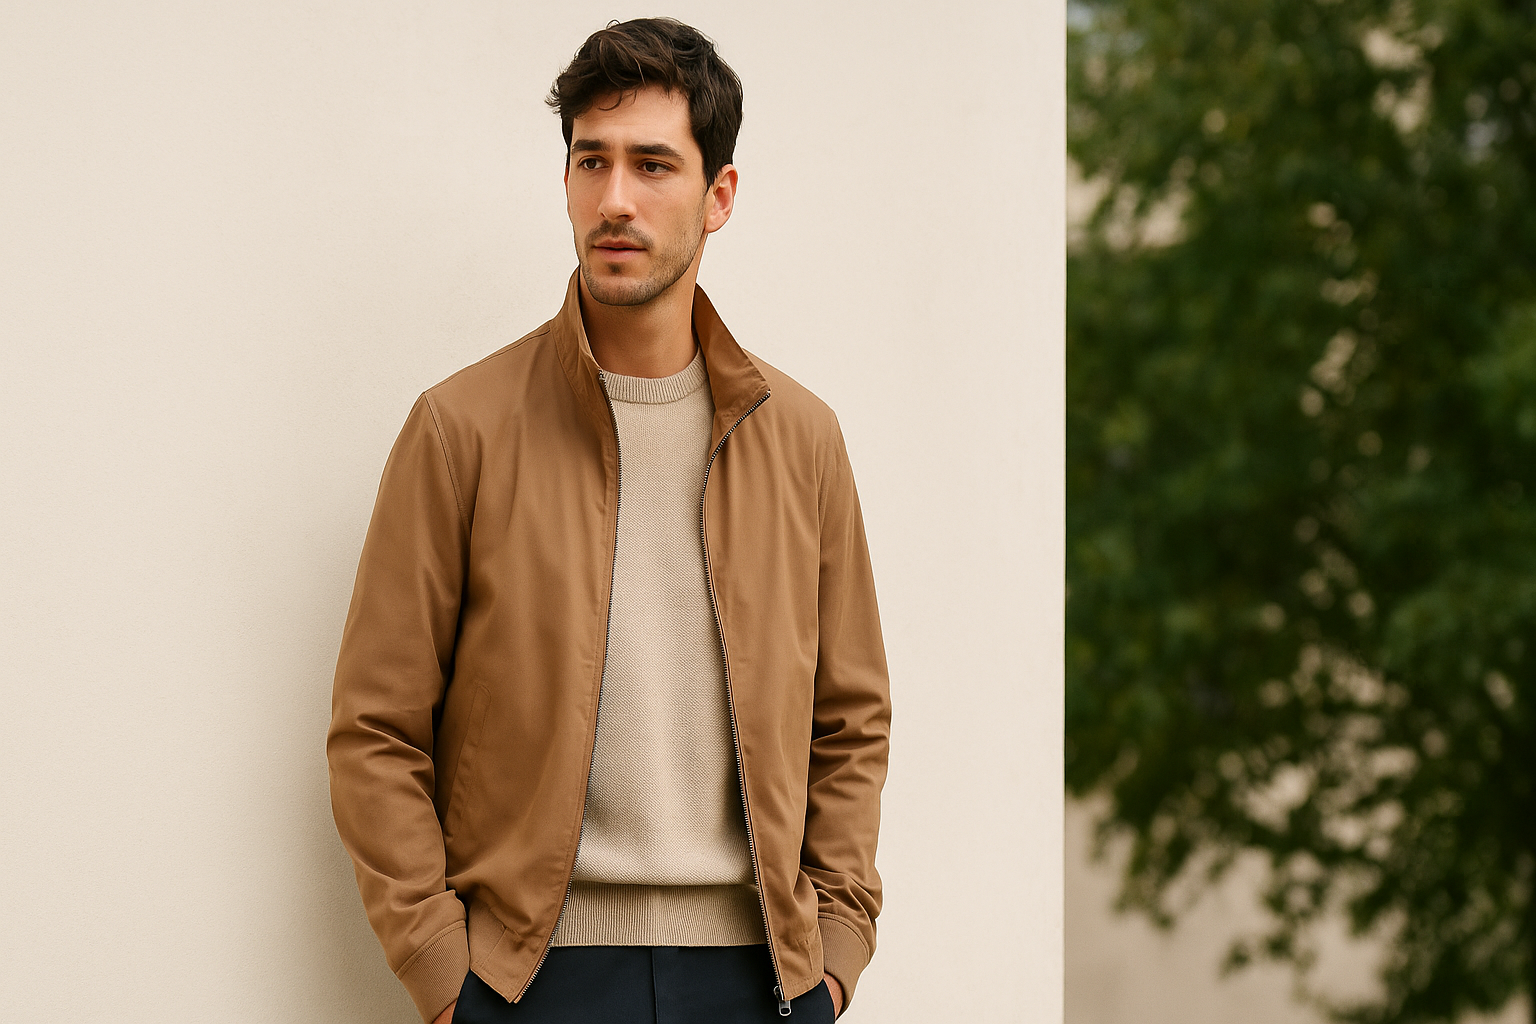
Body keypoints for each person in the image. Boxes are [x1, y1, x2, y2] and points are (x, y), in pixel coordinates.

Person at [326, 17, 891, 1024]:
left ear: (719, 195)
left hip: (760, 980)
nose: (615, 199)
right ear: (567, 180)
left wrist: (836, 951)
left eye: (653, 164)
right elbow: (376, 727)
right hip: (531, 981)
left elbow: (850, 720)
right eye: (592, 162)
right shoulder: (461, 429)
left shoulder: (801, 440)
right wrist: (441, 971)